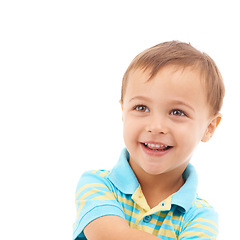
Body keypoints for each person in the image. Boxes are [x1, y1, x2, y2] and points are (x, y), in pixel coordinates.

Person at [73, 41, 225, 240]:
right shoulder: (97, 184)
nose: (156, 126)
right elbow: (111, 235)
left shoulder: (200, 217)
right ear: (123, 111)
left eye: (177, 112)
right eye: (141, 108)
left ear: (209, 127)